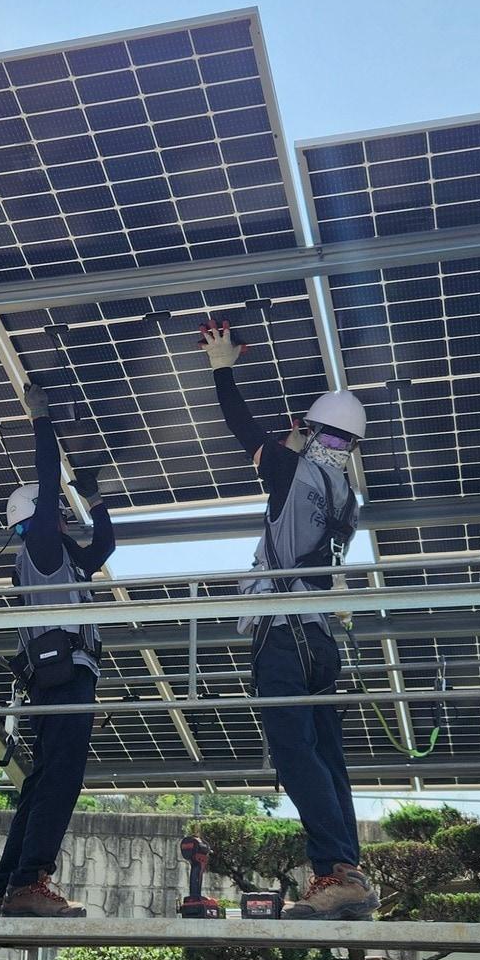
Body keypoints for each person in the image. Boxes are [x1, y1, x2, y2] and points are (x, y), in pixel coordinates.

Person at [198, 319, 379, 921]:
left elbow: (240, 425)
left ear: (312, 429)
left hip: (284, 634)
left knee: (294, 753)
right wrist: (304, 447)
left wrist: (222, 365)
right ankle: (345, 873)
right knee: (327, 755)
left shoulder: (287, 469)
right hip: (324, 639)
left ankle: (331, 869)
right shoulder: (345, 495)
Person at [0, 382, 114, 919]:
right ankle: (31, 882)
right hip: (63, 680)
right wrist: (42, 421)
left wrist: (97, 496)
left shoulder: (63, 560)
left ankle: (5, 888)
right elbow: (42, 475)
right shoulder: (39, 548)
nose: (63, 515)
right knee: (60, 779)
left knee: (42, 783)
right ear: (38, 517)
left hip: (59, 679)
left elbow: (104, 546)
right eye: (57, 508)